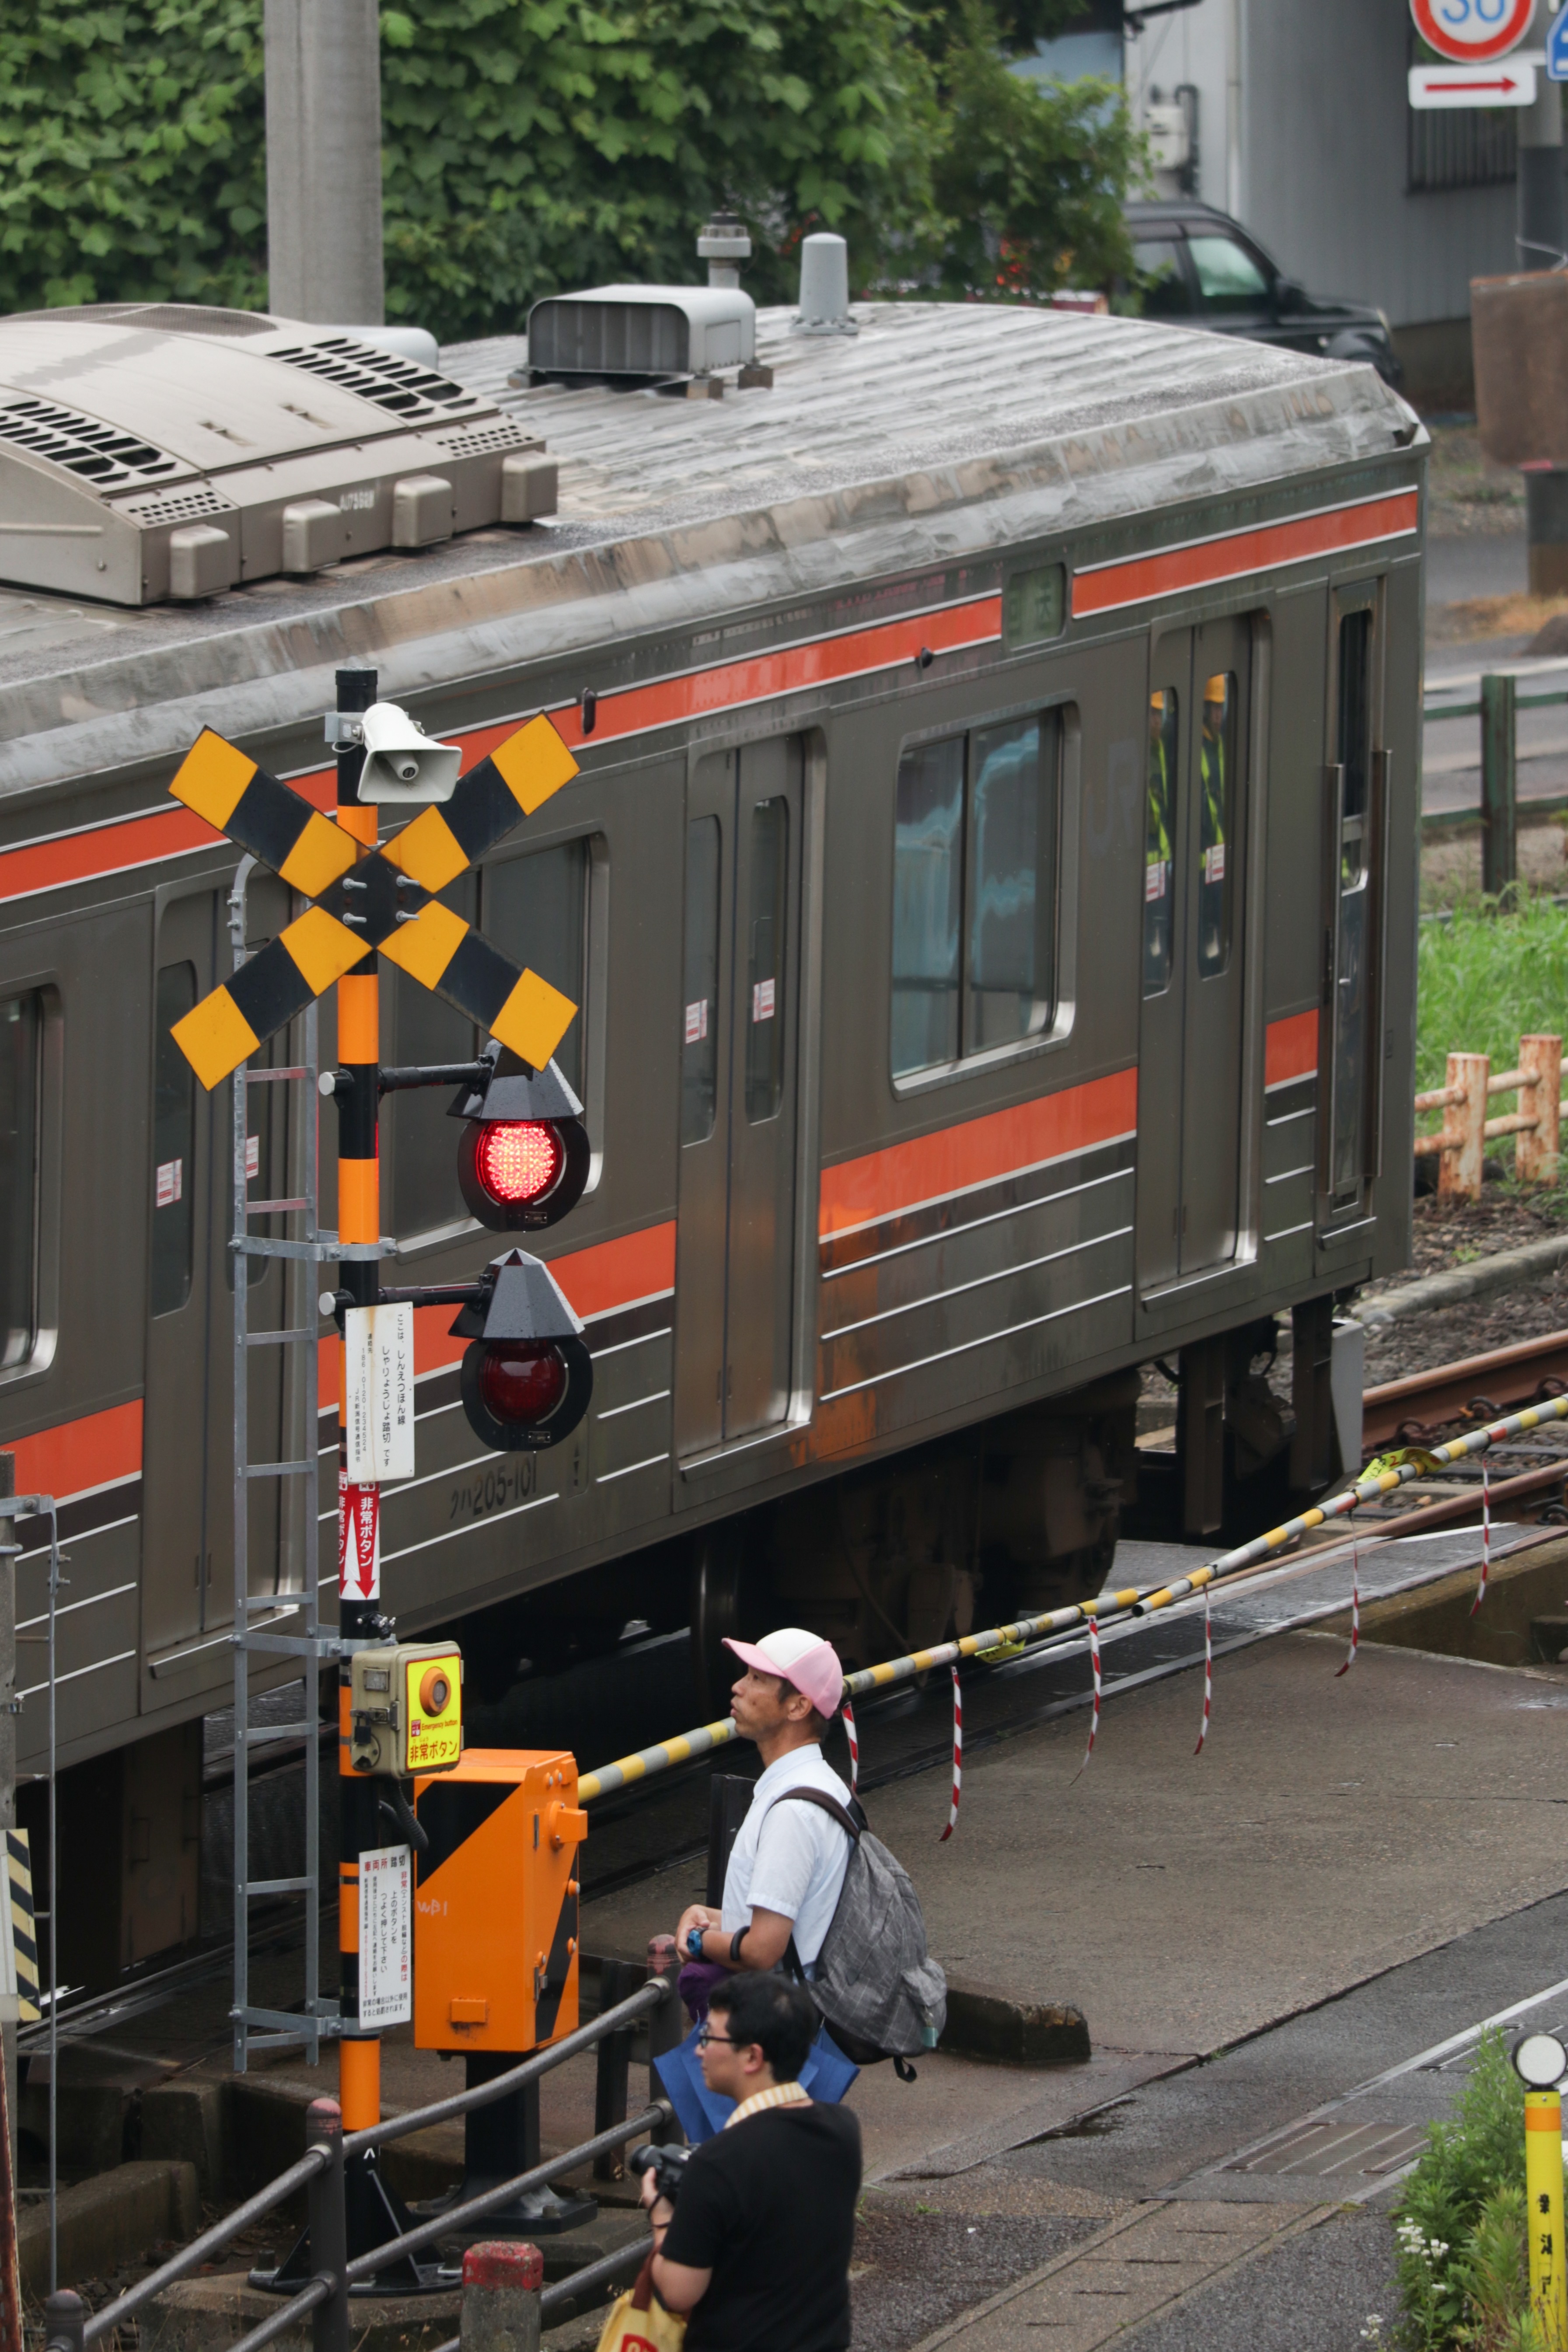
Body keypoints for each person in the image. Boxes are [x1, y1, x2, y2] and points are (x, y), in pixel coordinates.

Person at [642, 1973, 862, 2352]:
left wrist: (662, 2216)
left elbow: (679, 2291)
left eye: (709, 2037)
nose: (698, 2050)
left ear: (752, 2056)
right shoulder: (843, 2131)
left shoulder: (717, 2162)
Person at [675, 1627, 853, 1984]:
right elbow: (799, 1925)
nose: (738, 1687)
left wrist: (697, 1940)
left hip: (770, 2021)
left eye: (757, 1678)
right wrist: (711, 1918)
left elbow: (762, 1950)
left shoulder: (792, 1812)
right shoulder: (824, 1784)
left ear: (798, 1706)